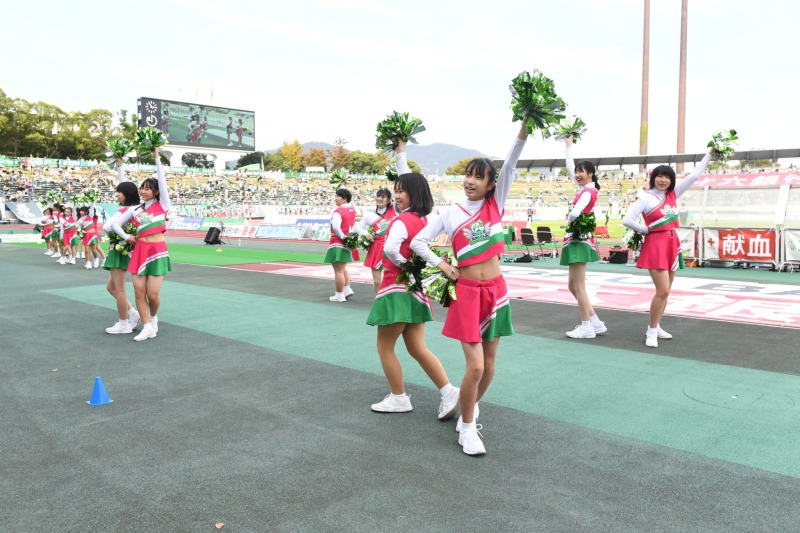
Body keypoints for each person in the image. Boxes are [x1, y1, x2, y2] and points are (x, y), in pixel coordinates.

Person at [410, 122, 528, 455]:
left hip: (496, 292)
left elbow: (511, 162)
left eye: (479, 177)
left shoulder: (495, 205)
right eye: (467, 174)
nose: (470, 181)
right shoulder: (450, 213)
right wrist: (444, 266)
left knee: (488, 366)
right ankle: (467, 427)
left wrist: (524, 129)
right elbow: (418, 241)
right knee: (475, 367)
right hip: (467, 292)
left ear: (491, 185)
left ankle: (468, 411)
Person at [366, 140, 459, 420]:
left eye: (401, 191)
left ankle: (399, 397)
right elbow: (408, 177)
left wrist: (405, 266)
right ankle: (448, 392)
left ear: (413, 194)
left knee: (384, 347)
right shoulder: (421, 219)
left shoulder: (401, 221)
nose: (396, 195)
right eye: (395, 190)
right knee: (417, 347)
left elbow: (390, 249)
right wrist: (401, 152)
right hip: (416, 291)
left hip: (397, 288)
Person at [622, 148, 713, 348]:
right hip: (656, 244)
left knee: (666, 291)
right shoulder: (645, 198)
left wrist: (709, 155)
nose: (663, 180)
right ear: (653, 178)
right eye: (660, 176)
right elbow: (627, 219)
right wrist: (645, 230)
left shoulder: (672, 194)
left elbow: (694, 176)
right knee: (662, 290)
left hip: (672, 243)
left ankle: (656, 326)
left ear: (671, 180)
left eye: (667, 177)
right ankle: (651, 331)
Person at [112, 147, 172, 342]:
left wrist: (156, 156)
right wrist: (127, 237)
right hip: (140, 251)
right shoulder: (135, 209)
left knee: (152, 295)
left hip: (157, 251)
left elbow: (162, 180)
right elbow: (115, 225)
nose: (143, 191)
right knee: (139, 292)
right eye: (142, 188)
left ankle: (153, 318)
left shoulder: (163, 205)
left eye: (147, 188)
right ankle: (146, 327)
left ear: (156, 191)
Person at [560, 135, 606, 340]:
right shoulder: (584, 188)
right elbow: (569, 166)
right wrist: (568, 145)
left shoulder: (587, 192)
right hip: (577, 240)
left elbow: (575, 212)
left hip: (578, 240)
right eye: (577, 171)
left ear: (591, 174)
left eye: (581, 171)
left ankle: (586, 326)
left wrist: (569, 222)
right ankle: (595, 322)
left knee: (578, 286)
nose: (577, 174)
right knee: (572, 286)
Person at [102, 158, 141, 335]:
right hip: (122, 249)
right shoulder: (133, 208)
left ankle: (123, 323)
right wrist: (120, 168)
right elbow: (126, 185)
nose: (117, 194)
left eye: (119, 192)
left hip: (119, 250)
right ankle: (133, 314)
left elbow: (108, 227)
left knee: (119, 289)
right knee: (111, 287)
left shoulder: (125, 211)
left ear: (127, 194)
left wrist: (123, 237)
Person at [355, 187, 397, 292]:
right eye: (378, 196)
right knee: (377, 281)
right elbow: (357, 226)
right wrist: (365, 233)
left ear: (389, 200)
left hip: (392, 247)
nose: (379, 199)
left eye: (383, 197)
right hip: (377, 248)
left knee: (392, 278)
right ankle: (379, 299)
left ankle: (391, 299)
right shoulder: (370, 215)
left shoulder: (394, 209)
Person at [324, 187, 359, 302]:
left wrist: (342, 235)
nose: (335, 199)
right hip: (347, 243)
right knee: (343, 268)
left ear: (344, 199)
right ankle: (347, 289)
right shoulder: (352, 210)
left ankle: (339, 294)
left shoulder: (338, 211)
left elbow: (336, 227)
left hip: (337, 242)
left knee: (338, 270)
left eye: (337, 197)